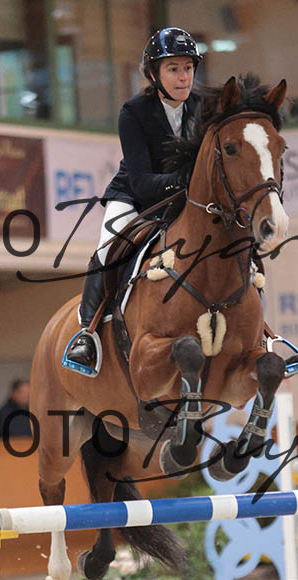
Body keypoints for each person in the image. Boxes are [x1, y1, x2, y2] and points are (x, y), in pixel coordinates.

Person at [64, 27, 202, 375]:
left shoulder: (204, 109)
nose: (183, 77)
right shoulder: (134, 112)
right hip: (135, 197)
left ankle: (263, 333)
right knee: (108, 250)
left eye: (188, 68)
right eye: (173, 69)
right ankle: (87, 334)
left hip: (184, 200)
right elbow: (141, 182)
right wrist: (185, 181)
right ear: (154, 74)